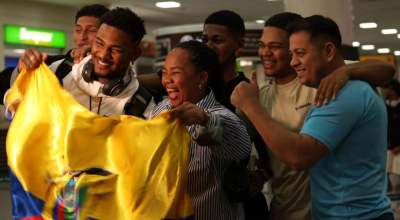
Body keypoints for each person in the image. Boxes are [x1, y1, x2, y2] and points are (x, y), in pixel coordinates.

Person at [232, 14, 394, 220]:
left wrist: (252, 106)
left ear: (328, 51)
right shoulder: (329, 86)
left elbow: (299, 157)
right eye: (292, 54)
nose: (294, 62)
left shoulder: (340, 92)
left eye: (300, 53)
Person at [151, 40, 251, 220]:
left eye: (175, 73)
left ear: (202, 78)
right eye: (165, 73)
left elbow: (241, 148)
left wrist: (205, 119)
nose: (167, 80)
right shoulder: (162, 109)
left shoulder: (218, 116)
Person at [11, 7, 155, 118]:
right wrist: (22, 74)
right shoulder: (60, 72)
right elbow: (16, 106)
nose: (103, 55)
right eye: (99, 43)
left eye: (116, 49)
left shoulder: (141, 105)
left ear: (135, 55)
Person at [382, 79, 400, 192]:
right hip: (386, 148)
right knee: (385, 176)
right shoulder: (383, 106)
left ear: (392, 90)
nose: (383, 91)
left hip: (398, 148)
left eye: (385, 88)